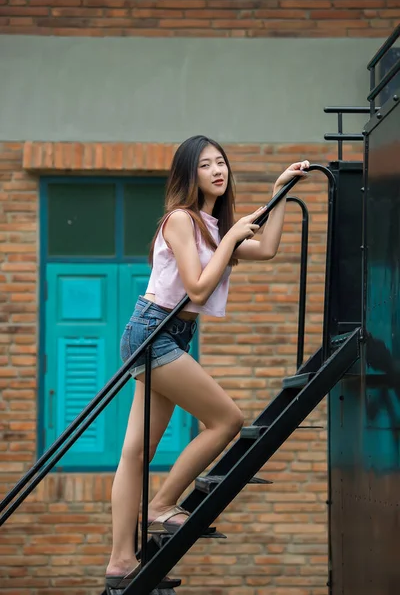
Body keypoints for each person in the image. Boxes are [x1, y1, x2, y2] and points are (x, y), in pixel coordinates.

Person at [105, 135, 309, 588]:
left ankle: (121, 562)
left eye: (221, 163)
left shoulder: (213, 228)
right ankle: (161, 506)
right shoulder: (181, 220)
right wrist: (233, 237)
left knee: (136, 452)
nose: (218, 171)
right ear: (188, 174)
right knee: (226, 419)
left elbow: (268, 249)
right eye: (205, 165)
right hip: (153, 331)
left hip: (168, 334)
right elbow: (197, 289)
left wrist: (279, 192)